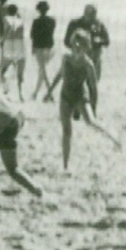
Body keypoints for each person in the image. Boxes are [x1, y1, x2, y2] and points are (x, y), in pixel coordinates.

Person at [47, 29, 99, 170]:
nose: (76, 48)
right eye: (74, 45)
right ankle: (65, 165)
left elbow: (94, 88)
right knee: (67, 131)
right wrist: (49, 92)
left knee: (91, 122)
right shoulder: (66, 58)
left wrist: (94, 106)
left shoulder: (88, 64)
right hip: (66, 95)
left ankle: (114, 141)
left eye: (80, 46)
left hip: (81, 96)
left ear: (86, 47)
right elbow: (59, 75)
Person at [65, 4, 110, 80]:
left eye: (94, 15)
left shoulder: (98, 25)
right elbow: (66, 41)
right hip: (78, 58)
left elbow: (107, 41)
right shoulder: (75, 24)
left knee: (94, 82)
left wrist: (97, 42)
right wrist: (77, 48)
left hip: (94, 57)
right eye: (91, 15)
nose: (93, 17)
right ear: (85, 13)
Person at [0, 2, 27, 99]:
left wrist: (1, 41)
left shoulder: (5, 18)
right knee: (19, 70)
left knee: (3, 69)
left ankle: (5, 88)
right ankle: (21, 93)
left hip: (9, 43)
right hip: (20, 43)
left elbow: (8, 30)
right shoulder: (20, 20)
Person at [29, 1, 57, 101]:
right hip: (50, 47)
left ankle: (49, 93)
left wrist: (32, 48)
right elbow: (51, 32)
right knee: (42, 71)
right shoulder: (52, 20)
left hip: (39, 47)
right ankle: (36, 93)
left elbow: (32, 35)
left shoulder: (36, 21)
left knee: (42, 71)